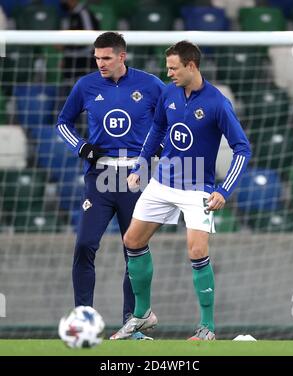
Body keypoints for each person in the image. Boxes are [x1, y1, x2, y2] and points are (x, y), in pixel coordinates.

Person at [110, 41, 252, 340]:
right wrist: (140, 167)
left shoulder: (217, 102)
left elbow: (242, 148)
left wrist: (224, 190)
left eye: (174, 67)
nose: (169, 72)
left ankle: (207, 328)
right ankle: (142, 315)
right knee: (131, 240)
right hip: (162, 182)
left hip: (197, 186)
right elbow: (157, 131)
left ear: (192, 66)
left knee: (197, 251)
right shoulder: (169, 93)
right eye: (167, 67)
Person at [55, 32, 165, 339]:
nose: (100, 63)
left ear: (121, 57)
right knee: (85, 245)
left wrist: (158, 147)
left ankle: (133, 323)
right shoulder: (85, 86)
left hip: (135, 178)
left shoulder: (151, 85)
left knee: (134, 250)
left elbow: (170, 121)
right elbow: (62, 123)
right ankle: (82, 323)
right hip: (100, 178)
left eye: (105, 58)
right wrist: (82, 147)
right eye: (96, 57)